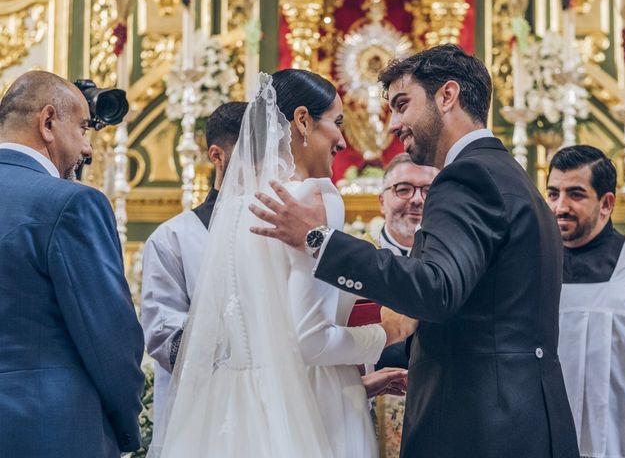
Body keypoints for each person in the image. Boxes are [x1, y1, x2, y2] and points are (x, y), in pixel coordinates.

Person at [249, 45, 580, 457]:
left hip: (478, 427)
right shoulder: (511, 176)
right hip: (522, 416)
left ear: (447, 96)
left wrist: (318, 240)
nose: (394, 125)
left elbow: (436, 289)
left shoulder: (468, 175)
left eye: (403, 105)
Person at [152, 71, 405, 458]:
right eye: (336, 123)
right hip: (315, 415)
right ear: (302, 120)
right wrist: (386, 332)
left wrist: (358, 384)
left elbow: (263, 341)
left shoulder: (233, 209)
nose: (342, 139)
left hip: (235, 411)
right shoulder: (315, 197)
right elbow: (311, 342)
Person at [0, 70, 144, 457]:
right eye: (82, 128)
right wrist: (128, 426)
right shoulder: (72, 203)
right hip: (50, 431)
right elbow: (111, 338)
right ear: (47, 122)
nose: (88, 149)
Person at [141, 101, 248, 443]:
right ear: (217, 156)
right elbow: (163, 336)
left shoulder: (285, 231)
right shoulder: (174, 237)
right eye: (252, 152)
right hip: (201, 417)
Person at [546, 145, 625, 458]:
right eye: (553, 193)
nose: (560, 206)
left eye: (575, 194)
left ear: (607, 203)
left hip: (621, 439)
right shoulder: (535, 266)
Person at [376, 152, 438, 370]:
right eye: (403, 189)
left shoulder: (453, 264)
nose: (417, 199)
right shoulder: (359, 259)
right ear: (382, 202)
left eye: (428, 190)